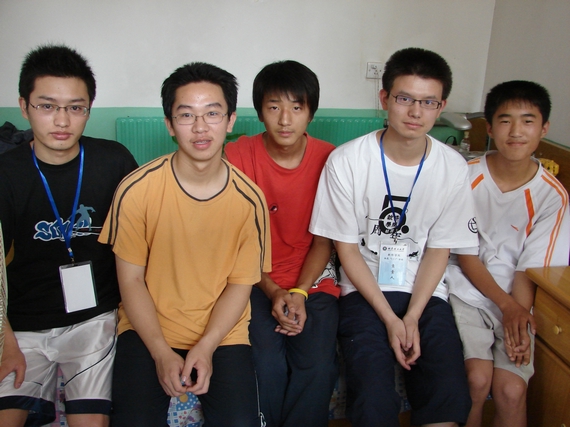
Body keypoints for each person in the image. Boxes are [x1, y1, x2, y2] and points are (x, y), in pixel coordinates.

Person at [309, 47, 478, 427]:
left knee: (447, 387)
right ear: (384, 98)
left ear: (441, 106)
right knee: (372, 391)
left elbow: (439, 250)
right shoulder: (347, 161)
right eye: (405, 99)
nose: (416, 112)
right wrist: (389, 318)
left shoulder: (452, 167)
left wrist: (413, 316)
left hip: (425, 291)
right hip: (363, 289)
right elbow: (346, 250)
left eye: (428, 102)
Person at [99, 62, 270, 427]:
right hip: (149, 329)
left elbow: (240, 285)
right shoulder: (137, 190)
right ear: (169, 124)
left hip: (222, 336)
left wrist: (206, 346)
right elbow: (130, 280)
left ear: (230, 120)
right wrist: (160, 352)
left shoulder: (249, 200)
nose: (200, 127)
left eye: (212, 113)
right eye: (186, 115)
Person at [0, 45, 138, 427]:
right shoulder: (6, 174)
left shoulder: (113, 161)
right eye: (47, 106)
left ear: (89, 109)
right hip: (22, 323)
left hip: (94, 318)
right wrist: (5, 341)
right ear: (24, 106)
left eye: (76, 108)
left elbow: (143, 242)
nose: (62, 120)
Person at [446, 80, 570, 427]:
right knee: (476, 379)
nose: (516, 131)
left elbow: (531, 268)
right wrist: (508, 308)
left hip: (517, 298)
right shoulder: (465, 177)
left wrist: (517, 316)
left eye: (528, 121)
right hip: (465, 290)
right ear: (489, 128)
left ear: (544, 128)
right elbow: (466, 255)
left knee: (512, 390)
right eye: (505, 120)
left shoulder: (552, 196)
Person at [224, 60, 339, 427]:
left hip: (313, 279)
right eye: (274, 107)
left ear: (311, 113)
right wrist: (274, 291)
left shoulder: (331, 160)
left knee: (318, 364)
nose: (285, 119)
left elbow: (324, 242)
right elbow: (235, 243)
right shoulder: (237, 157)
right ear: (260, 112)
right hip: (253, 279)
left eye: (297, 107)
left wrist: (299, 293)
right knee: (266, 363)